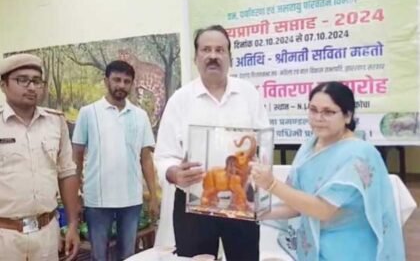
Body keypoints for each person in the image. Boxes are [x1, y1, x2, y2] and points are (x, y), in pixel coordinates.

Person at [252, 81, 405, 261]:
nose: (318, 117)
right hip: (315, 250)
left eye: (328, 112)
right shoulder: (309, 147)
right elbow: (295, 204)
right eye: (313, 110)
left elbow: (323, 210)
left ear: (348, 116)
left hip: (350, 250)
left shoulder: (358, 155)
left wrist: (272, 184)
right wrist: (257, 211)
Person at [154, 25, 269, 260]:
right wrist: (174, 173)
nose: (213, 55)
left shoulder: (248, 94)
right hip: (194, 200)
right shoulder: (180, 100)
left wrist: (258, 161)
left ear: (229, 57)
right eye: (206, 49)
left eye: (220, 50)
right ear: (196, 57)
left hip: (240, 199)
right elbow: (163, 155)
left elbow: (265, 142)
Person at [72, 60, 158, 261]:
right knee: (99, 256)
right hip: (97, 200)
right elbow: (76, 159)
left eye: (127, 81)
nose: (121, 85)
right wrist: (76, 196)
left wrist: (153, 195)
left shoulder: (140, 116)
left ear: (132, 84)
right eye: (117, 80)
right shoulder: (88, 113)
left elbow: (146, 159)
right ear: (106, 81)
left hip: (131, 200)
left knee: (127, 255)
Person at [0, 53, 80, 260]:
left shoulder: (55, 122)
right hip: (5, 236)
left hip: (46, 233)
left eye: (37, 81)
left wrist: (72, 224)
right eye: (22, 80)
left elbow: (67, 173)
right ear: (3, 84)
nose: (31, 87)